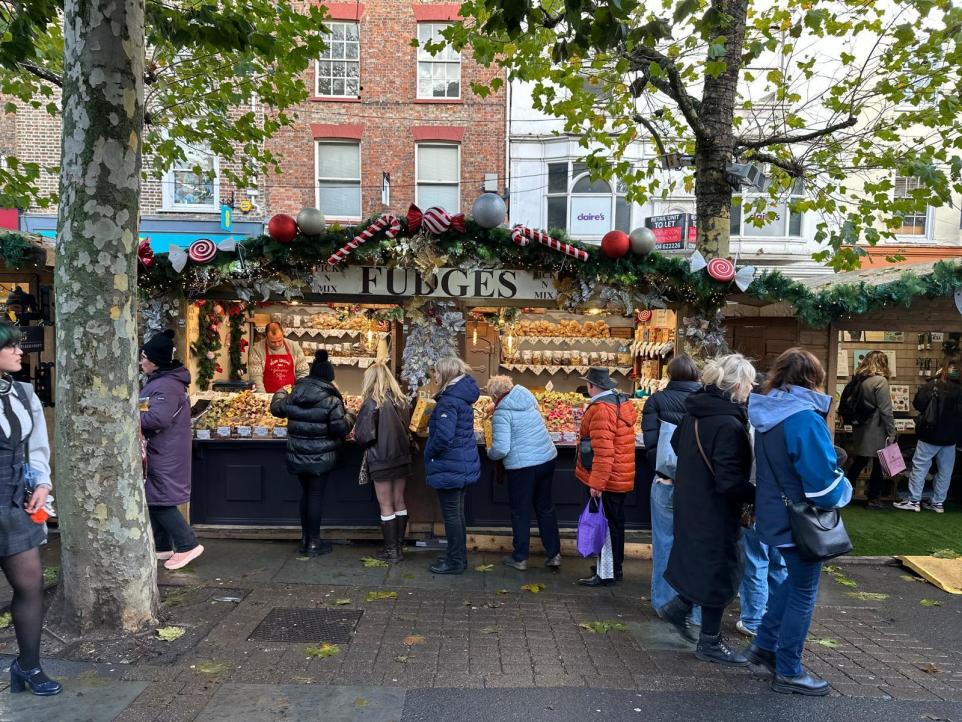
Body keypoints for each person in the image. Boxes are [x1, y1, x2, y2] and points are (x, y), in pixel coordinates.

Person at [746, 347, 853, 696]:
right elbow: (823, 485)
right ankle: (789, 669)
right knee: (803, 592)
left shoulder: (767, 413)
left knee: (793, 584)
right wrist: (844, 488)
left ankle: (764, 645)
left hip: (774, 514)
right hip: (801, 520)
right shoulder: (803, 418)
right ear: (814, 378)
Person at [659, 354, 755, 666]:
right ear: (737, 386)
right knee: (721, 570)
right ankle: (710, 642)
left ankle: (680, 607)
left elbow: (676, 444)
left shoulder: (695, 412)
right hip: (716, 509)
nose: (751, 389)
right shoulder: (729, 423)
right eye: (750, 383)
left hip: (690, 500)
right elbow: (730, 481)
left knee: (702, 563)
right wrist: (757, 493)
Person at [0, 322, 60, 695]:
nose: (20, 351)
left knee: (30, 585)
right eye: (10, 346)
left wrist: (42, 484)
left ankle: (28, 666)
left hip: (13, 505)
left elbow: (36, 448)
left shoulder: (23, 394)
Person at [270, 351, 351, 557]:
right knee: (315, 496)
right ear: (329, 377)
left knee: (306, 494)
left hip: (297, 455)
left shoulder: (295, 393)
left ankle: (305, 539)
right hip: (321, 458)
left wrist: (280, 391)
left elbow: (277, 409)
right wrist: (351, 415)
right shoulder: (331, 400)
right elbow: (340, 429)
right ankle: (314, 543)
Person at [641, 355, 702, 620]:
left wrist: (664, 472)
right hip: (698, 483)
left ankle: (665, 604)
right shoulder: (705, 401)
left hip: (665, 479)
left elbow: (651, 444)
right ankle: (694, 607)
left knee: (664, 541)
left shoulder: (656, 400)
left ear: (669, 374)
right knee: (695, 545)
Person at [140, 330, 204, 571]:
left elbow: (158, 418)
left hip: (163, 450)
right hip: (163, 449)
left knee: (160, 500)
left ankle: (187, 545)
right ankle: (162, 546)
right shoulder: (164, 382)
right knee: (154, 497)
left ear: (155, 362)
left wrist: (128, 417)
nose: (141, 362)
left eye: (144, 357)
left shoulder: (165, 385)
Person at [485, 375, 561, 571]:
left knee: (521, 511)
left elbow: (501, 449)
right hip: (546, 459)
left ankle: (520, 557)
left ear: (495, 395)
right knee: (545, 507)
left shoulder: (502, 413)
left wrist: (489, 452)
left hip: (523, 467)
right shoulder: (527, 397)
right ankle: (554, 554)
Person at [575, 368, 637, 587]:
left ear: (592, 386)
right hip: (619, 475)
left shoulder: (602, 409)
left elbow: (603, 451)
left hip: (608, 478)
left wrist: (597, 484)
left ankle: (607, 573)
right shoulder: (621, 402)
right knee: (615, 523)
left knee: (606, 526)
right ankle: (614, 567)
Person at [424, 357, 481, 575]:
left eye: (437, 373)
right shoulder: (461, 397)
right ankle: (457, 556)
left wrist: (429, 451)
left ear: (446, 373)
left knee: (452, 516)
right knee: (457, 514)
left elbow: (444, 437)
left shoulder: (449, 401)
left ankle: (455, 561)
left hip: (450, 465)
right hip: (461, 463)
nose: (435, 377)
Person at [354, 362, 412, 563]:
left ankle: (392, 552)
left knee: (386, 504)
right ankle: (399, 548)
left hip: (381, 459)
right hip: (402, 457)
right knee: (399, 500)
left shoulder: (371, 402)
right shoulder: (402, 401)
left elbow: (363, 436)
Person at [894, 355, 962, 513]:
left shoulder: (934, 384)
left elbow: (918, 403)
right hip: (951, 437)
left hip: (930, 433)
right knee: (945, 470)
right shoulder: (960, 389)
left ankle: (914, 500)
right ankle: (938, 503)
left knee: (920, 466)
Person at [845, 351, 896, 509]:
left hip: (860, 426)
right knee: (878, 464)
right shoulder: (880, 381)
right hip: (876, 427)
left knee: (859, 461)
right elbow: (886, 410)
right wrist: (892, 431)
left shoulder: (859, 379)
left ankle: (843, 492)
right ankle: (873, 499)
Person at [249, 321, 310, 394]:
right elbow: (256, 377)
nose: (277, 344)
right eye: (273, 342)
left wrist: (298, 392)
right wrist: (263, 396)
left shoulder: (294, 347)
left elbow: (303, 372)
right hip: (267, 395)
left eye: (279, 340)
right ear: (266, 337)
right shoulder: (257, 349)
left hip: (290, 395)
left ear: (283, 334)